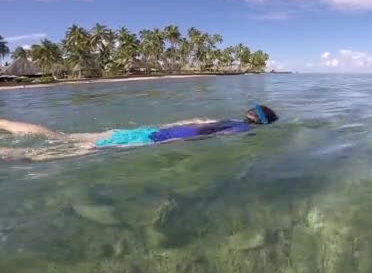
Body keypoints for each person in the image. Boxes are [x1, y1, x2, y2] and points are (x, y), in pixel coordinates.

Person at [0, 105, 278, 161]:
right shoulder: (240, 129)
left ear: (250, 113)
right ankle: (7, 153)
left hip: (152, 130)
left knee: (64, 137)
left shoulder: (228, 118)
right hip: (151, 139)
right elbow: (214, 138)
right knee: (50, 154)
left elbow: (195, 120)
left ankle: (6, 123)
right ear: (262, 124)